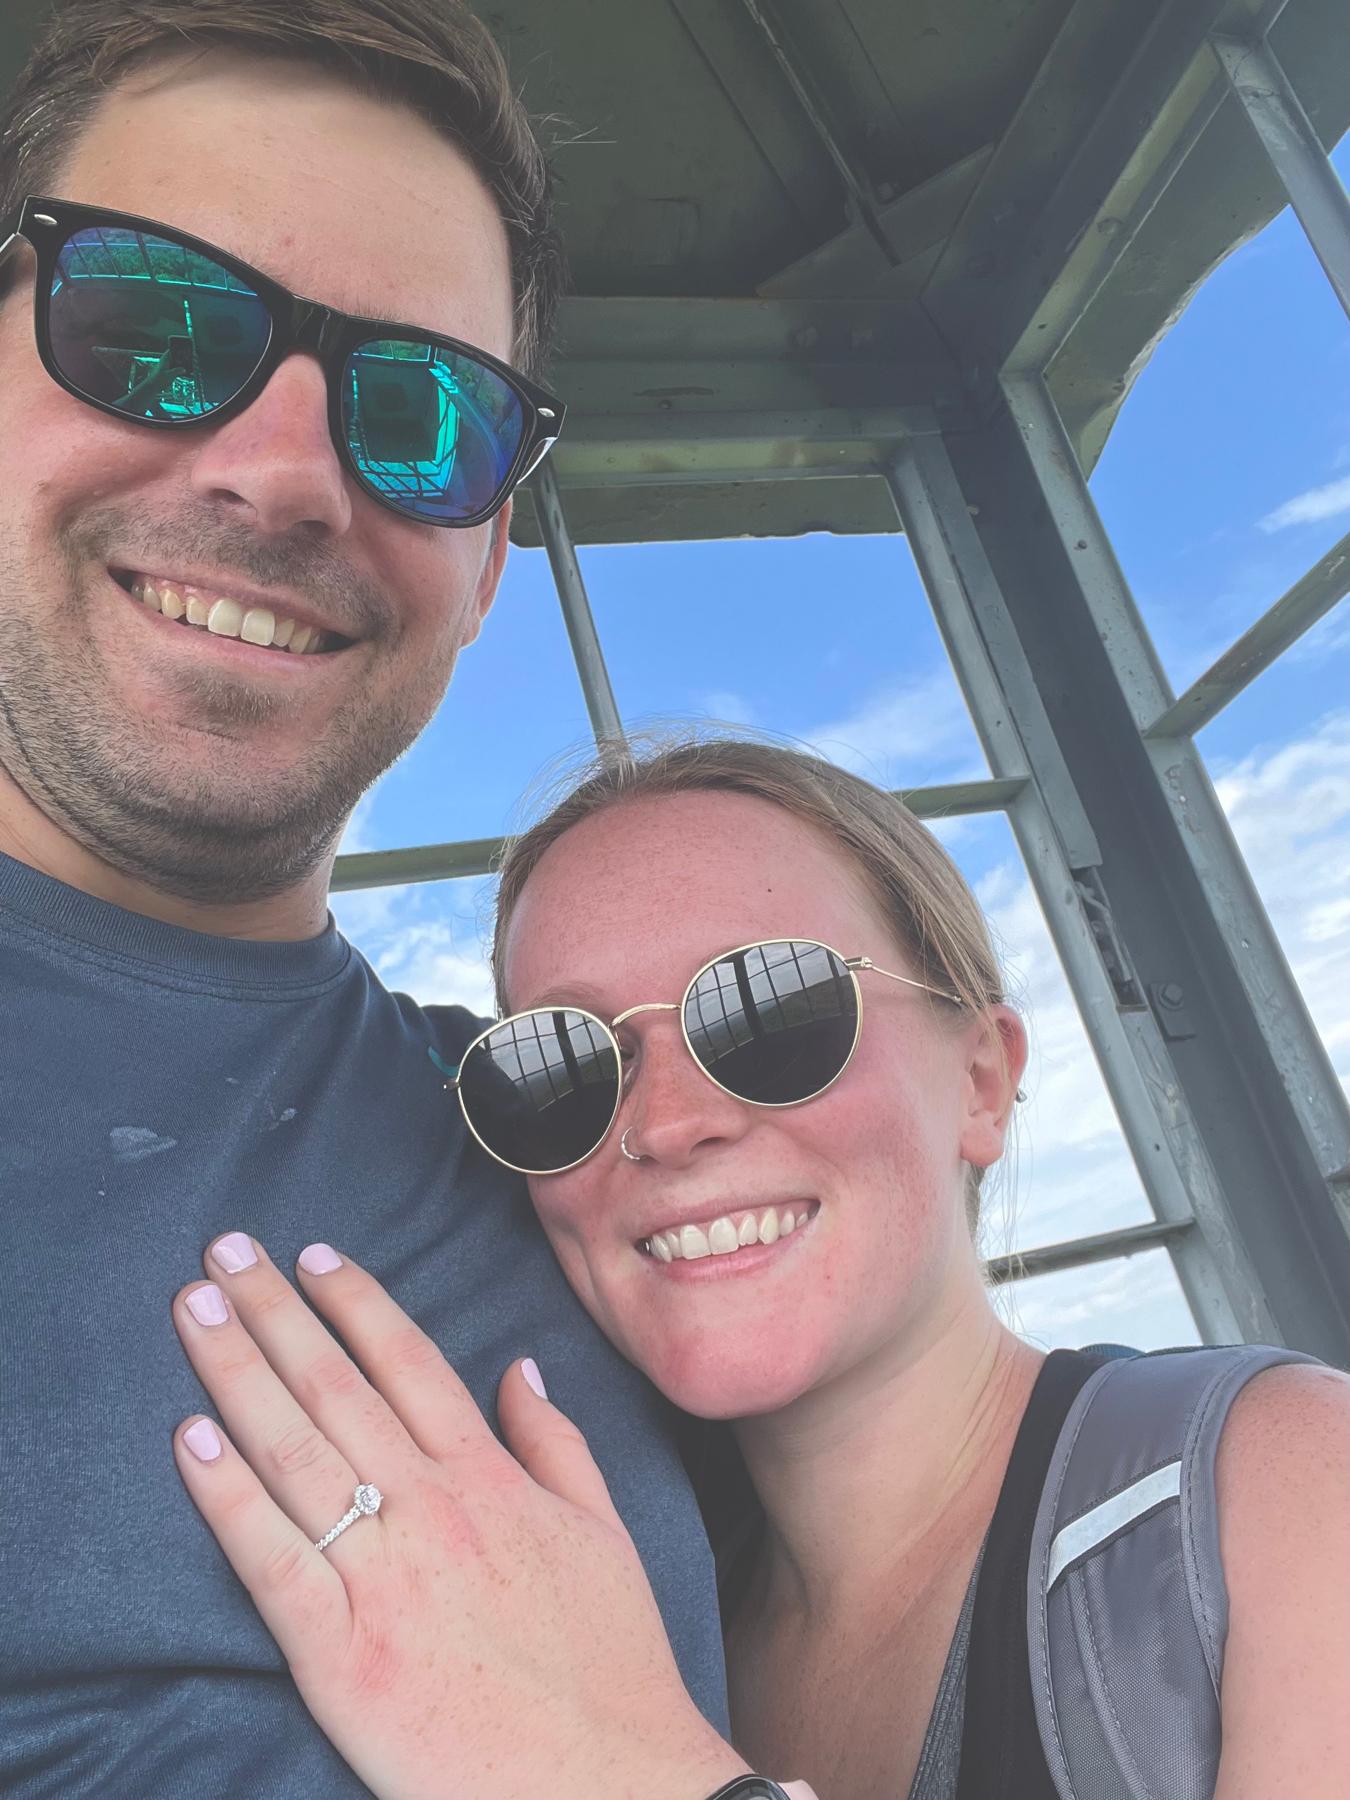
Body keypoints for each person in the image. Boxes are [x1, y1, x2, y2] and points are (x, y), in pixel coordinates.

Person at [0, 5, 729, 1793]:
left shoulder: (563, 1140)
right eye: (152, 325)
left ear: (485, 565)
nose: (284, 473)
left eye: (424, 413)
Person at [166, 738, 1350, 1800]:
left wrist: (608, 1772)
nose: (668, 1124)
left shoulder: (1283, 1494)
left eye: (773, 1010)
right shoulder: (636, 1593)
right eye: (561, 1066)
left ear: (980, 1081)